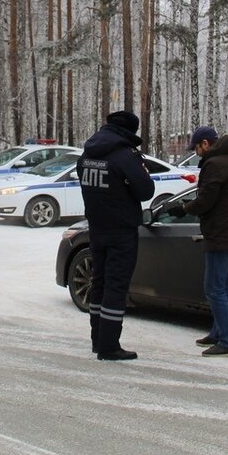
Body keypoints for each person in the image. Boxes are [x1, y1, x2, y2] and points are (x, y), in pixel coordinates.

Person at [78, 110, 155, 361]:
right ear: (130, 131)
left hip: (96, 227)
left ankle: (97, 339)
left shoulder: (88, 154)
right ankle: (109, 345)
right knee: (116, 286)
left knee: (99, 282)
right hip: (121, 230)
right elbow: (145, 191)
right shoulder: (125, 155)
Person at [168, 125, 228, 356]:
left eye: (196, 148)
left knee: (214, 288)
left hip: (221, 235)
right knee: (224, 286)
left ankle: (227, 340)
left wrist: (183, 208)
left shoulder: (215, 164)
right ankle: (218, 332)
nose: (196, 153)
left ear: (205, 143)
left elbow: (206, 201)